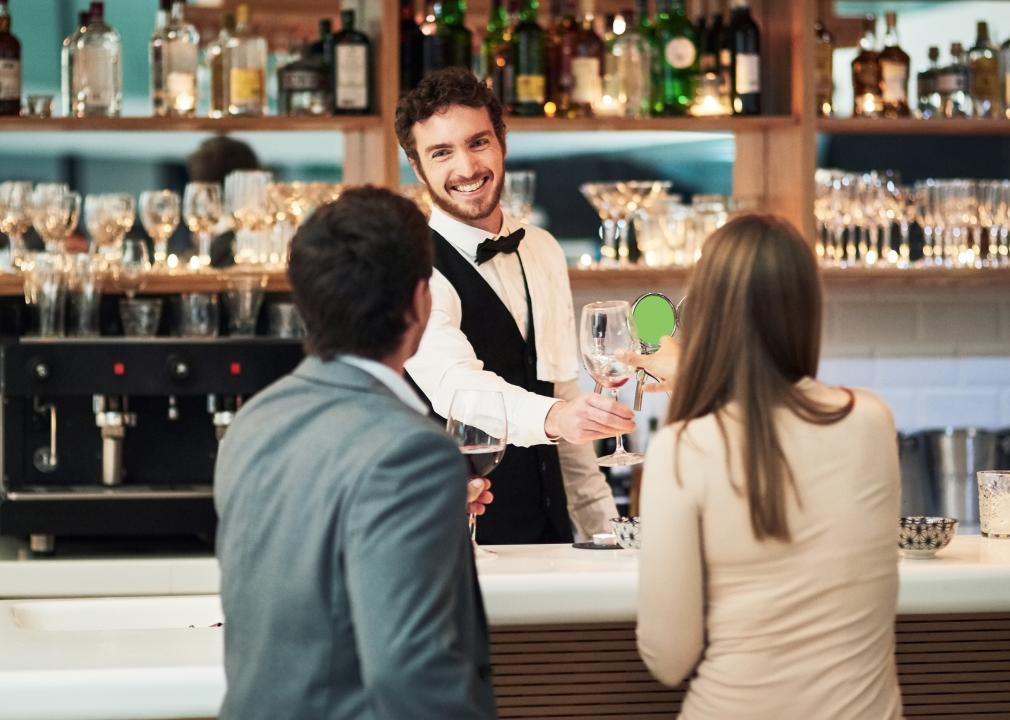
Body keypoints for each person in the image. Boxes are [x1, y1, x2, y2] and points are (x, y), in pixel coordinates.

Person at [214, 187, 497, 720]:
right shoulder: (413, 451)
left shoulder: (254, 420)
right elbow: (412, 675)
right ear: (420, 301)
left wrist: (427, 511)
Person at [629, 214, 903, 719]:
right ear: (808, 308)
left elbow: (668, 658)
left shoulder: (684, 447)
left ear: (705, 316)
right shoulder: (872, 423)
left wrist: (691, 379)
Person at [395, 67, 631, 545]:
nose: (466, 168)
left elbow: (563, 389)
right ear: (418, 169)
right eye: (442, 153)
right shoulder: (409, 268)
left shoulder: (541, 249)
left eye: (478, 142)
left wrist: (605, 532)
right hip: (461, 543)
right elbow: (457, 389)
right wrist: (556, 419)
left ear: (502, 141)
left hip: (555, 540)